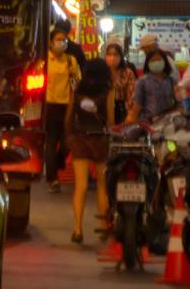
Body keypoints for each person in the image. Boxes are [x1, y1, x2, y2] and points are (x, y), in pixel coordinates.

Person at [70, 49, 113, 244]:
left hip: (80, 138)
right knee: (102, 187)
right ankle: (104, 227)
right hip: (100, 139)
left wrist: (68, 136)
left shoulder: (79, 88)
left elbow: (70, 114)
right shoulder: (108, 90)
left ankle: (77, 229)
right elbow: (111, 119)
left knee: (81, 186)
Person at [43, 19, 82, 182]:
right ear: (51, 43)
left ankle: (57, 162)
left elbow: (78, 81)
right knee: (51, 142)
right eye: (58, 40)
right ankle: (52, 179)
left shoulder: (70, 60)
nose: (61, 42)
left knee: (66, 144)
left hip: (67, 106)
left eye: (64, 40)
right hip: (49, 105)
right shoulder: (45, 60)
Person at [129, 47, 179, 125]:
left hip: (168, 123)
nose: (156, 62)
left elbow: (179, 103)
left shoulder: (171, 81)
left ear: (165, 62)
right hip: (148, 123)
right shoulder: (142, 81)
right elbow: (137, 106)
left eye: (158, 60)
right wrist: (130, 121)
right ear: (148, 63)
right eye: (153, 61)